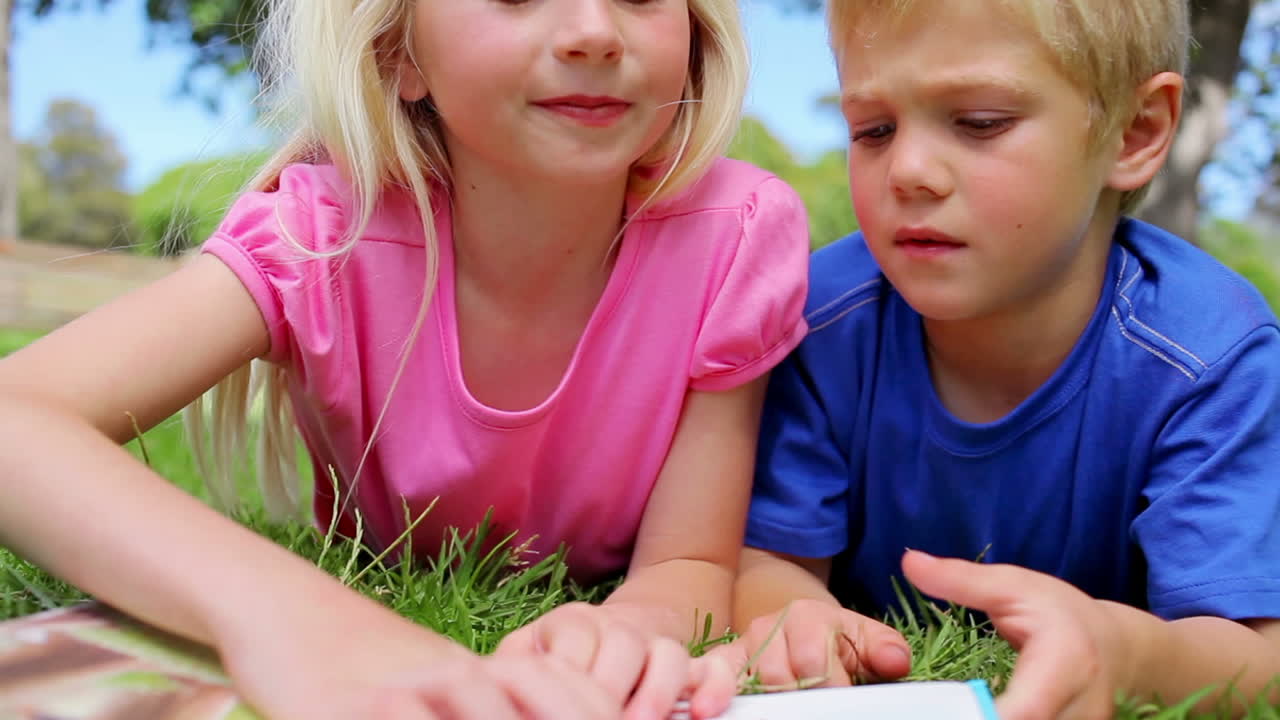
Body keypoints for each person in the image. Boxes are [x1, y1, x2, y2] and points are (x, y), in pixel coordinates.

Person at [0, 0, 811, 718]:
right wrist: (297, 623)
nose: (594, 31)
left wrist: (629, 632)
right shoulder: (320, 238)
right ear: (400, 54)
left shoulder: (736, 233)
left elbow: (687, 563)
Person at [725, 1, 1280, 718]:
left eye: (980, 122)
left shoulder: (1208, 357)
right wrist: (793, 615)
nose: (909, 172)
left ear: (1135, 132)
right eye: (874, 130)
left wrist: (1125, 652)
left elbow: (1257, 655)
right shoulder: (818, 323)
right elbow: (769, 559)